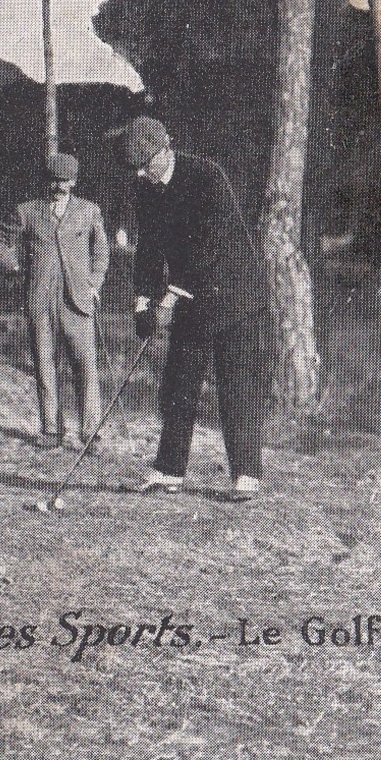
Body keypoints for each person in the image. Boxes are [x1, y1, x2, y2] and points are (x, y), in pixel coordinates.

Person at [120, 116, 268, 501]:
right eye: (137, 166)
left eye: (147, 163)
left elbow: (208, 245)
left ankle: (246, 475)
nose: (142, 172)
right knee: (178, 383)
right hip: (190, 296)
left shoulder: (206, 176)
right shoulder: (146, 188)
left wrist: (168, 297)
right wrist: (142, 302)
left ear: (166, 148)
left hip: (233, 295)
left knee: (235, 385)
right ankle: (169, 470)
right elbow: (149, 247)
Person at [0, 152, 111, 449]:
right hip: (40, 300)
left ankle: (90, 433)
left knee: (86, 366)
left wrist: (94, 284)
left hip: (78, 301)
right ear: (47, 181)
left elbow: (101, 253)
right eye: (55, 180)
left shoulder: (88, 211)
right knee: (45, 365)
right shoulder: (27, 212)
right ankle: (51, 430)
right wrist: (16, 267)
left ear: (75, 181)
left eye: (66, 180)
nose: (60, 186)